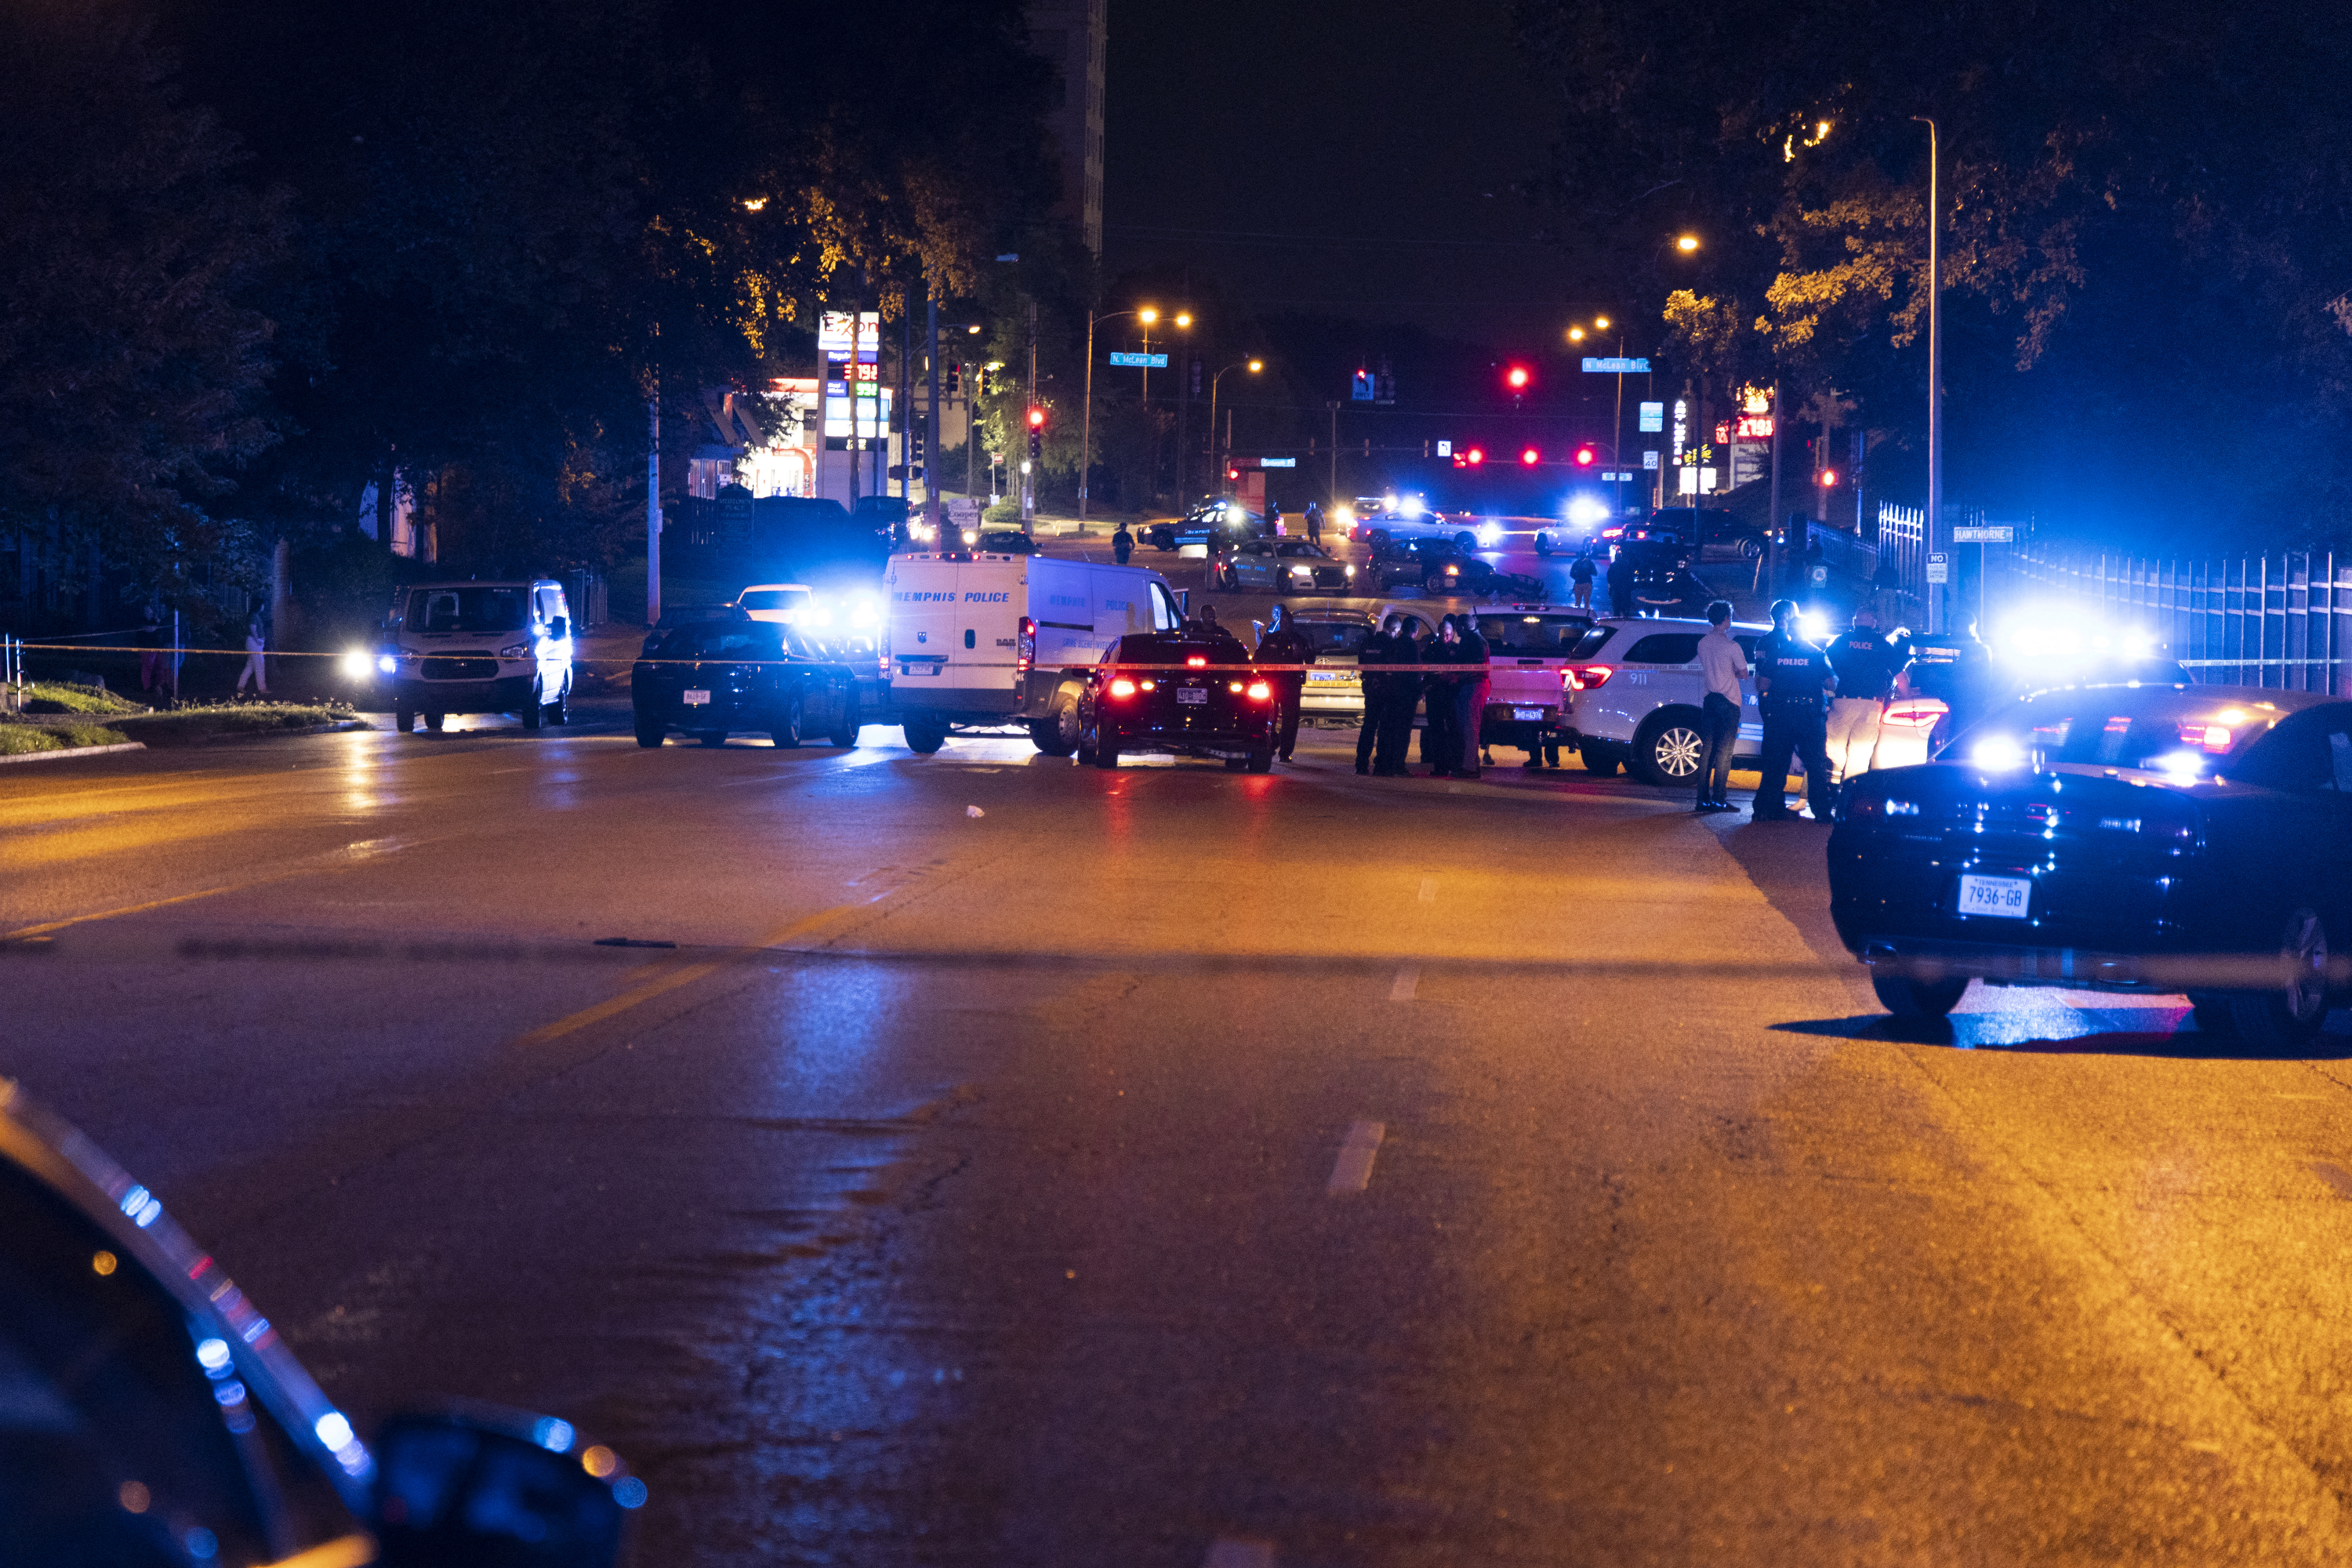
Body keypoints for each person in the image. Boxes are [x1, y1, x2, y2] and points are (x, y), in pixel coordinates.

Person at [1751, 597, 1837, 820]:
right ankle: (1822, 813)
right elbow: (1831, 684)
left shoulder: (1778, 653)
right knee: (1816, 765)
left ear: (1790, 629)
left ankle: (1765, 810)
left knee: (1775, 764)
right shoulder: (1816, 653)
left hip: (1781, 714)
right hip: (1809, 715)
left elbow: (1762, 684)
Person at [1824, 604, 1905, 784]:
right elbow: (1902, 679)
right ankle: (1850, 796)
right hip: (1872, 706)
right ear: (1874, 623)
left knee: (1832, 746)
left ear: (1854, 621)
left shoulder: (1842, 641)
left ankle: (1838, 772)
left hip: (1844, 701)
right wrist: (1907, 699)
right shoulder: (1883, 645)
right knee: (1860, 755)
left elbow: (1823, 666)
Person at [1693, 599, 1748, 813]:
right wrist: (1733, 670)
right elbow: (1743, 673)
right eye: (1730, 617)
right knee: (1725, 753)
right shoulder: (1732, 646)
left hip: (1710, 700)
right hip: (1729, 700)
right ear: (1726, 619)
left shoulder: (1703, 643)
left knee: (1707, 750)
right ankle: (1719, 799)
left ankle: (1701, 799)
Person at [1255, 603, 1312, 763]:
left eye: (1289, 623)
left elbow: (1311, 659)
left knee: (1291, 721)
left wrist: (1301, 653)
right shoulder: (1270, 638)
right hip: (1272, 685)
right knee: (1268, 719)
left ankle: (1285, 753)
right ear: (1280, 623)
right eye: (1283, 623)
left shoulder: (1299, 640)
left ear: (1292, 624)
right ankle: (1269, 745)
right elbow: (1257, 658)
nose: (1286, 626)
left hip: (1292, 686)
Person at [1374, 615, 1417, 775]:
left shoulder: (1393, 644)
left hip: (1390, 693)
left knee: (1386, 729)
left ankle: (1382, 765)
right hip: (1406, 695)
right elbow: (1414, 672)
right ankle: (1397, 765)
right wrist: (1418, 691)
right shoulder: (1412, 646)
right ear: (1416, 631)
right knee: (1402, 732)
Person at [1451, 612, 1490, 779]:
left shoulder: (1474, 641)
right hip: (1470, 686)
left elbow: (1478, 667)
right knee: (1468, 727)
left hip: (1473, 686)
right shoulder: (1475, 639)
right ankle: (1471, 764)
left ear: (1462, 627)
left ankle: (1470, 768)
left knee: (1470, 728)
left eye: (1456, 628)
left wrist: (1457, 676)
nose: (1455, 631)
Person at [1419, 617, 1460, 775]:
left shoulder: (1457, 650)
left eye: (1448, 635)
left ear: (1453, 634)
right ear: (1438, 633)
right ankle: (1439, 766)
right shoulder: (1431, 649)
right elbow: (1425, 671)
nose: (1445, 638)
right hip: (1434, 695)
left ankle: (1454, 765)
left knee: (1453, 731)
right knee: (1435, 731)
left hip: (1451, 696)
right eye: (1443, 634)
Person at [1354, 615, 1394, 774]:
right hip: (1384, 690)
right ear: (1394, 629)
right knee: (1384, 728)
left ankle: (1361, 764)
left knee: (1368, 726)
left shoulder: (1367, 642)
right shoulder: (1391, 644)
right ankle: (1381, 766)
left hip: (1370, 688)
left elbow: (1361, 663)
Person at [234, 615, 269, 698]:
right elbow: (252, 628)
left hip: (255, 643)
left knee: (250, 666)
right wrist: (257, 640)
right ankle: (262, 688)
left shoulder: (256, 615)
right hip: (254, 643)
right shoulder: (254, 616)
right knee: (259, 665)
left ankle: (240, 686)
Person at [1605, 550, 1634, 619]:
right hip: (1625, 589)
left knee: (1616, 608)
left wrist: (1611, 588)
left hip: (1616, 588)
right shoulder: (1626, 565)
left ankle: (1617, 621)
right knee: (1625, 608)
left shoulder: (1613, 566)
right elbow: (1631, 577)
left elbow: (1609, 578)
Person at [1570, 548, 1597, 612]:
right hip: (1587, 583)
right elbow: (1595, 573)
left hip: (1578, 583)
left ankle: (1577, 614)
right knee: (1587, 601)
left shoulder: (1576, 563)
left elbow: (1571, 573)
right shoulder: (1590, 563)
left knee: (1578, 601)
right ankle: (1586, 614)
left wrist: (1577, 577)